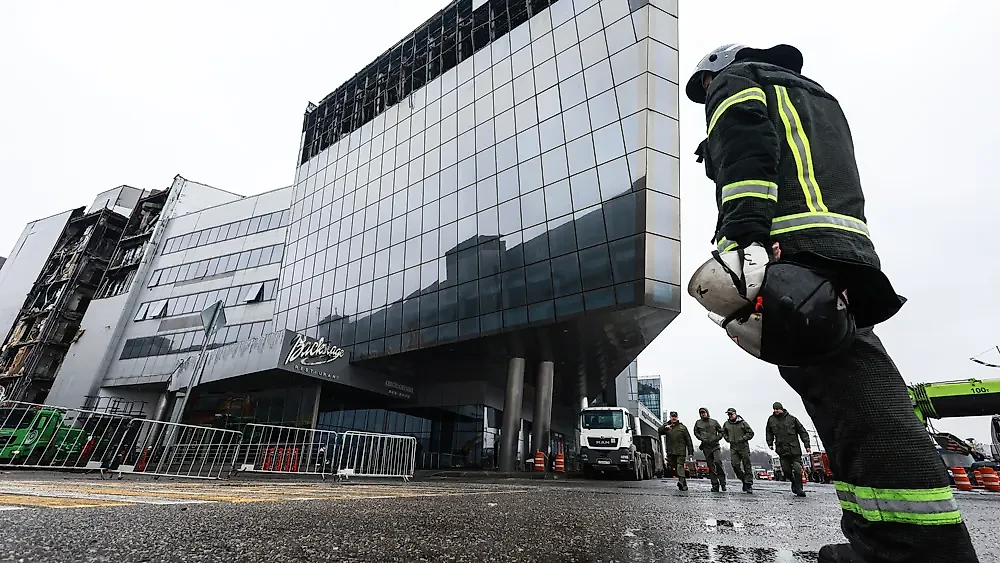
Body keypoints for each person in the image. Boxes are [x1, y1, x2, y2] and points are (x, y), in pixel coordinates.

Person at [684, 43, 980, 562]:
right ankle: (890, 539)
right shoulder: (816, 96)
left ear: (714, 73)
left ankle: (913, 548)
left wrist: (745, 234)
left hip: (791, 251)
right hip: (842, 254)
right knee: (852, 388)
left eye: (704, 88)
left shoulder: (737, 81)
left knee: (854, 401)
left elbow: (748, 152)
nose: (706, 96)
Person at [765, 402, 810, 497]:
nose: (776, 411)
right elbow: (769, 432)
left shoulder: (792, 419)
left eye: (777, 409)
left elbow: (802, 432)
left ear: (782, 409)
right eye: (774, 409)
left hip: (794, 449)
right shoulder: (771, 420)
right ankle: (793, 482)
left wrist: (807, 445)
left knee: (797, 469)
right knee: (786, 470)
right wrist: (770, 443)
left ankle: (799, 488)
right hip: (782, 450)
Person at [693, 407, 726, 492]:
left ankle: (723, 482)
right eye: (701, 413)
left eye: (704, 412)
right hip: (706, 447)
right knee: (711, 466)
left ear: (707, 413)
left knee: (718, 462)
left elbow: (721, 431)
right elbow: (695, 432)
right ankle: (715, 485)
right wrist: (701, 438)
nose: (703, 414)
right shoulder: (698, 423)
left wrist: (717, 438)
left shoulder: (714, 422)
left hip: (715, 445)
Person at [658, 411, 694, 491]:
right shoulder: (667, 427)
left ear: (677, 417)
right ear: (670, 417)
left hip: (680, 451)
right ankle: (684, 484)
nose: (674, 418)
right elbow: (659, 431)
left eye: (675, 416)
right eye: (672, 416)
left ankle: (681, 481)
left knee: (680, 466)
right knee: (674, 467)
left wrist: (690, 451)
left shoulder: (682, 428)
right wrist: (665, 426)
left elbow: (688, 440)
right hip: (671, 452)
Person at [722, 407, 755, 493]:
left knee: (746, 465)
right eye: (728, 414)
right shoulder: (726, 424)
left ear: (735, 414)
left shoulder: (743, 423)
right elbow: (723, 432)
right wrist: (727, 438)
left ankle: (749, 484)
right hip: (733, 447)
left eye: (731, 414)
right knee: (735, 465)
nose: (730, 416)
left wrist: (743, 438)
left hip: (743, 446)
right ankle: (744, 479)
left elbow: (751, 433)